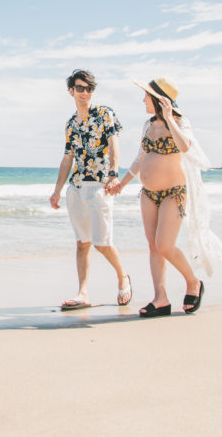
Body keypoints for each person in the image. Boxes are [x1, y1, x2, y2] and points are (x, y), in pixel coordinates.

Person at [108, 78, 222, 317]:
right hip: (149, 194)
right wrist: (122, 184)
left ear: (159, 99)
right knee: (153, 246)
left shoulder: (182, 123)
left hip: (173, 193)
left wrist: (169, 117)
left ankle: (193, 282)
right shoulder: (148, 124)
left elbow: (186, 147)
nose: (143, 99)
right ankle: (160, 298)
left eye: (146, 95)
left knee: (165, 244)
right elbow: (140, 157)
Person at [49, 69, 132, 310]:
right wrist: (57, 190)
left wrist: (114, 174)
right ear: (71, 91)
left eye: (89, 88)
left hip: (100, 186)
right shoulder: (70, 124)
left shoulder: (105, 114)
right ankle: (83, 293)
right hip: (76, 188)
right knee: (82, 242)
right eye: (80, 88)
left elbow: (114, 145)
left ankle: (122, 277)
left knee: (102, 242)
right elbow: (67, 158)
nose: (85, 92)